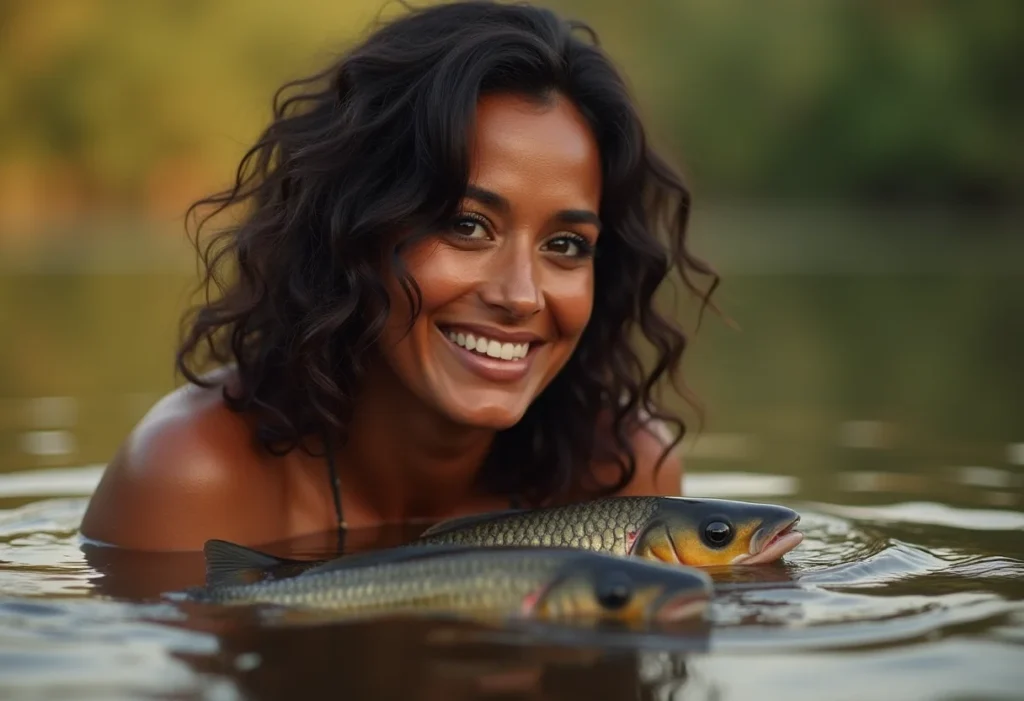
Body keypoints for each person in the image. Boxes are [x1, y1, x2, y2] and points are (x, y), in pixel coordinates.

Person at [80, 0, 717, 552]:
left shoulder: (624, 477)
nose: (520, 294)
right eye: (467, 226)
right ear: (352, 226)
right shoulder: (195, 478)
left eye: (566, 244)